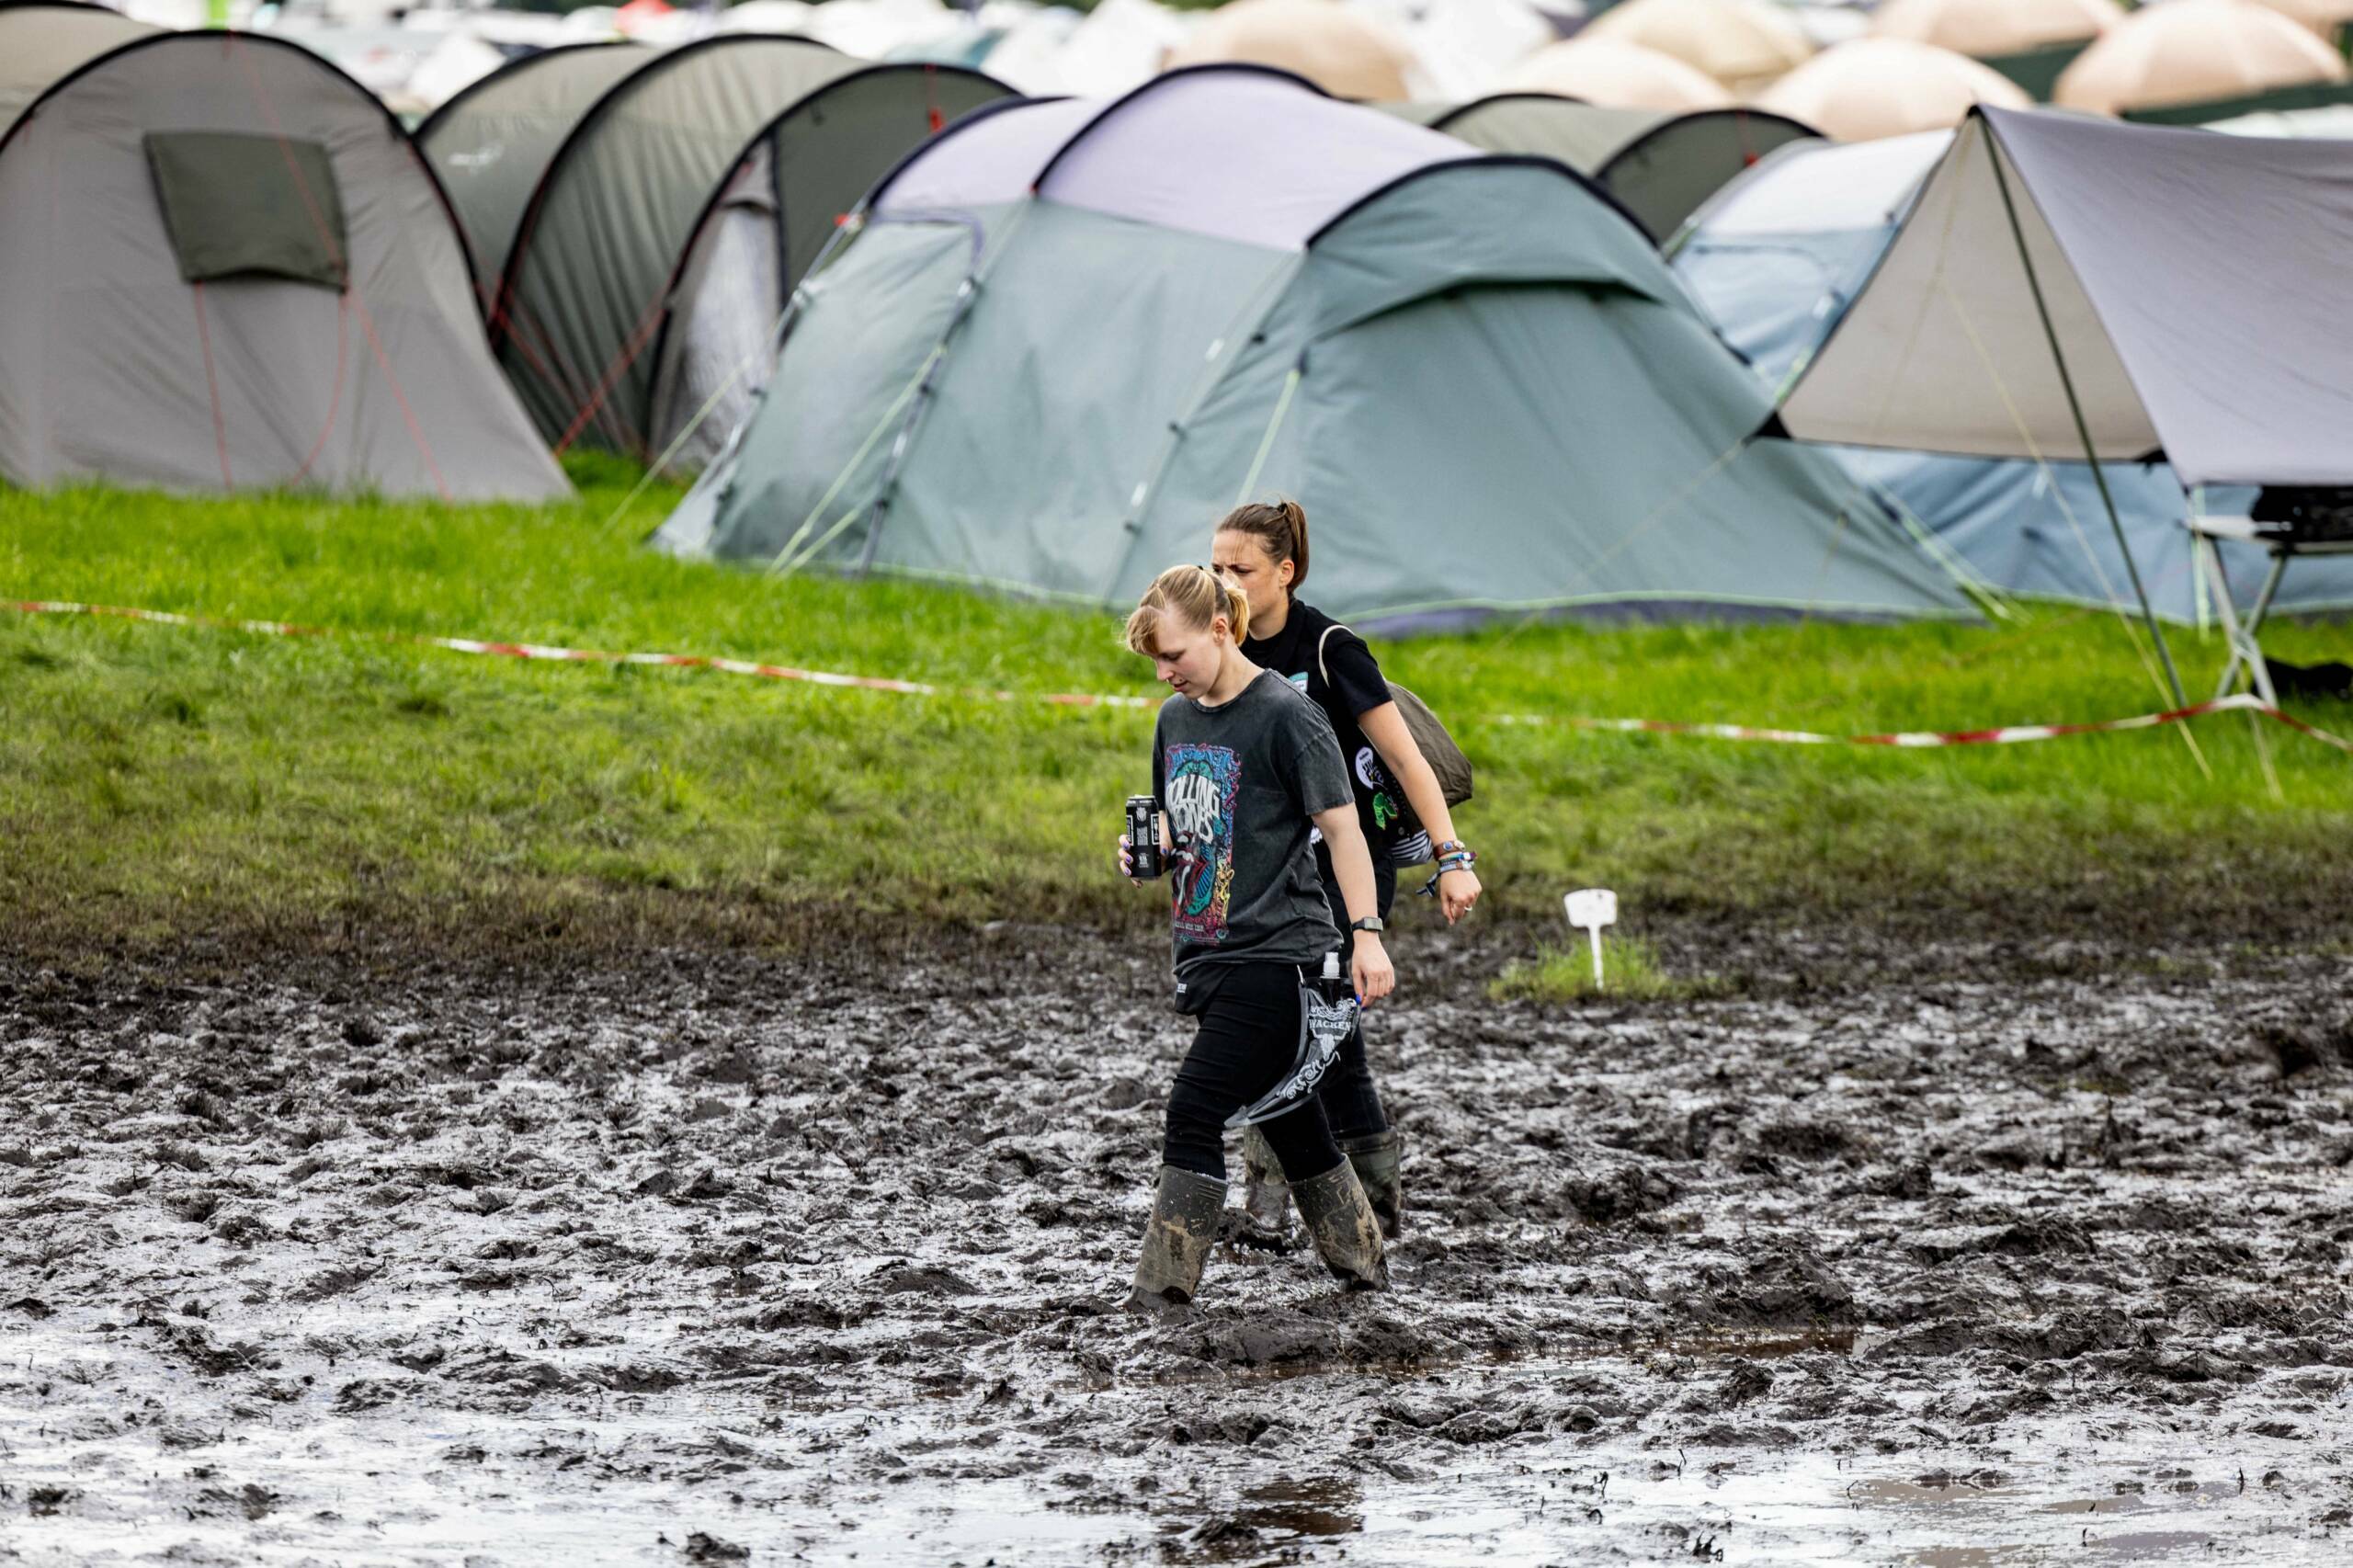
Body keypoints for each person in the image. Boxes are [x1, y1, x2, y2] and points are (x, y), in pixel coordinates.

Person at [1118, 563, 1398, 1312]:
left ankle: (1160, 1295)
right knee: (1290, 1116)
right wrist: (1147, 850)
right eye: (1154, 661)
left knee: (1195, 1109)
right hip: (1209, 953)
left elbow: (1343, 832)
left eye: (1173, 654)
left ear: (1218, 629)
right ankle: (1364, 1271)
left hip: (1283, 955)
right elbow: (1185, 824)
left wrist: (1366, 935)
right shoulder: (1174, 720)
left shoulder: (1287, 714)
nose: (1164, 671)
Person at [1212, 500, 1482, 1241]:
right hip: (1268, 876)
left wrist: (1452, 858)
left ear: (1285, 572)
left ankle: (1356, 1209)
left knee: (1323, 1033)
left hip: (1349, 870)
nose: (1226, 582)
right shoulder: (1221, 648)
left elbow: (1404, 758)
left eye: (1242, 569)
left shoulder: (1332, 648)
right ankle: (1299, 1206)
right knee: (1288, 1032)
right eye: (1216, 568)